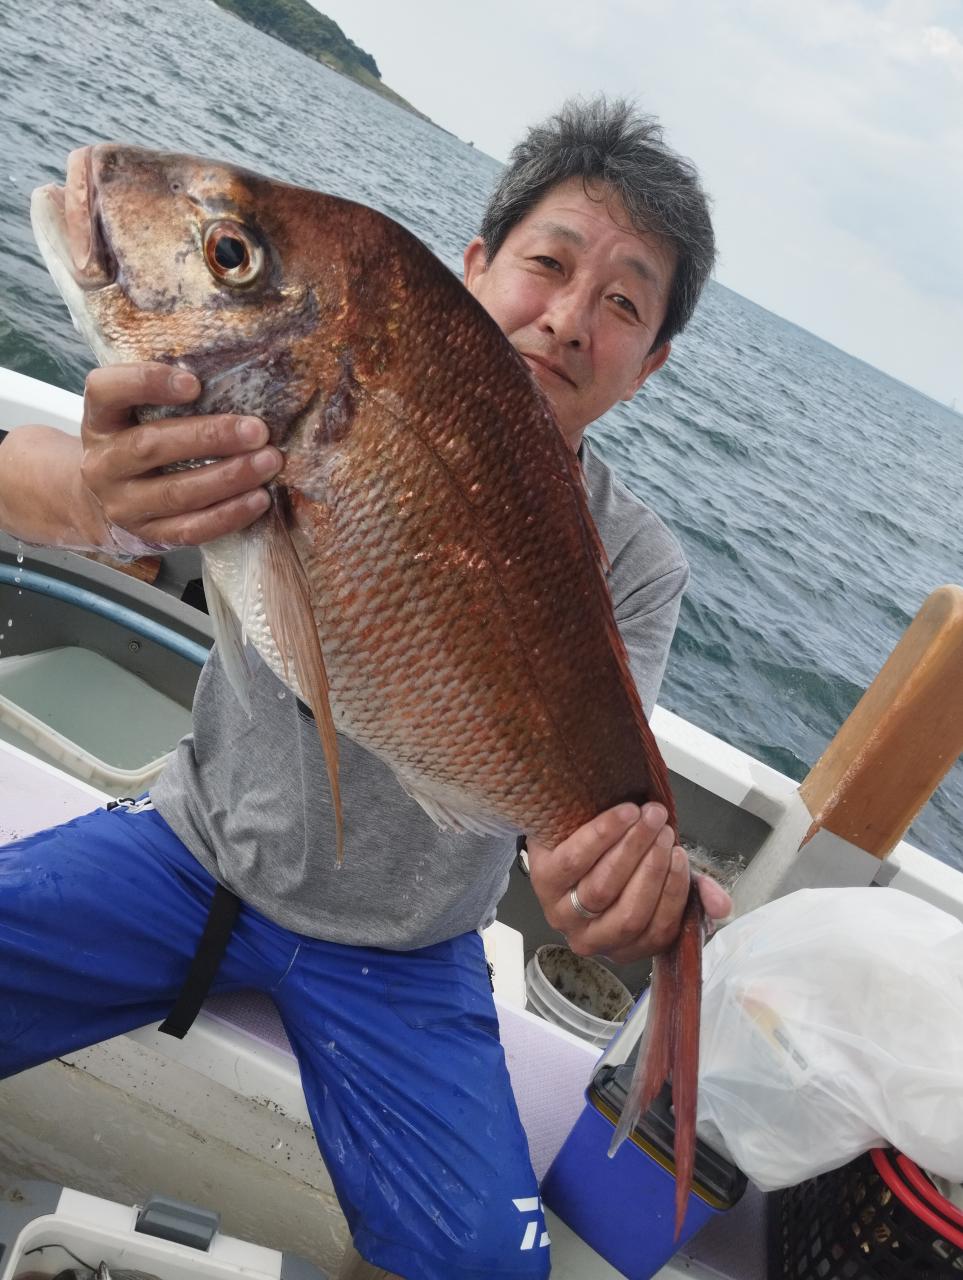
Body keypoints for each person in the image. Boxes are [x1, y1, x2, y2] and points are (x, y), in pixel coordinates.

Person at [0, 98, 730, 1279]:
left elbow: (578, 812)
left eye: (622, 304)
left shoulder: (634, 560)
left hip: (411, 954)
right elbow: (24, 473)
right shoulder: (297, 401)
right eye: (549, 265)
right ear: (475, 268)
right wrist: (104, 495)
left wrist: (610, 888)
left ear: (648, 367)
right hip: (193, 849)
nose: (566, 319)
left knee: (491, 1268)